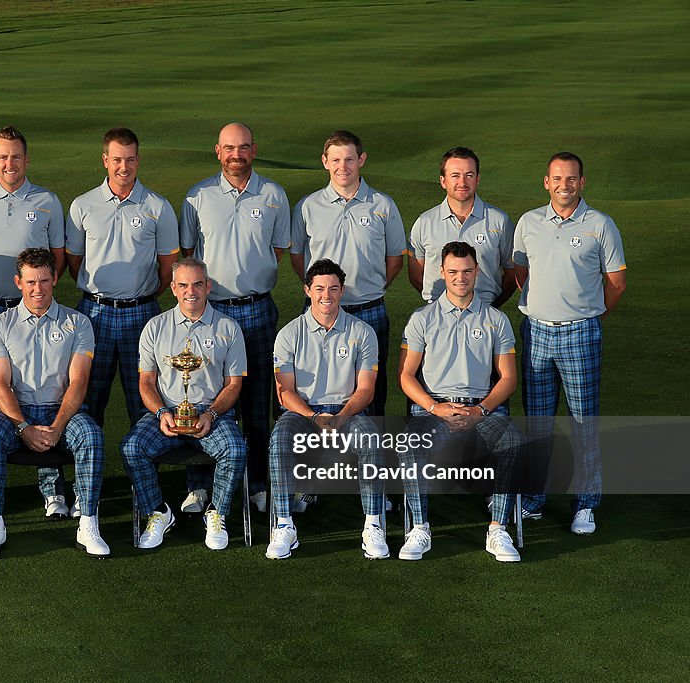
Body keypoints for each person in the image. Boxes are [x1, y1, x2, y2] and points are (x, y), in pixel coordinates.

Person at [513, 152, 626, 535]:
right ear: (546, 182)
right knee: (538, 422)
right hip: (537, 332)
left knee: (582, 422)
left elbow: (616, 283)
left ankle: (586, 503)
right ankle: (533, 498)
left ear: (582, 182)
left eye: (572, 179)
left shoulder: (601, 225)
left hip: (581, 333)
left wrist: (590, 315)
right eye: (558, 178)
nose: (565, 185)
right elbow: (521, 271)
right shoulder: (528, 222)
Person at [179, 122, 289, 512]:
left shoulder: (273, 194)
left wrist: (249, 276)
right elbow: (188, 252)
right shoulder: (198, 196)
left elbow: (276, 250)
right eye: (229, 148)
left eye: (243, 147)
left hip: (257, 308)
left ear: (254, 150)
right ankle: (200, 483)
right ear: (217, 151)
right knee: (200, 395)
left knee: (259, 400)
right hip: (209, 311)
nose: (236, 154)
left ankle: (258, 483)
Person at [0, 248, 109, 558]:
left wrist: (58, 427)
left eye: (44, 281)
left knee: (91, 436)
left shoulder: (79, 323)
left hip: (63, 410)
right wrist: (23, 427)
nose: (38, 289)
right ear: (18, 282)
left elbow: (79, 382)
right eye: (31, 282)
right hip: (15, 412)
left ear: (55, 279)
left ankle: (88, 522)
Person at [0, 126, 66, 518]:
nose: (10, 163)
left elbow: (59, 258)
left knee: (46, 392)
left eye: (16, 156)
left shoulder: (47, 201)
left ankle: (52, 488)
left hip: (34, 308)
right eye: (3, 156)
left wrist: (31, 293)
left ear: (27, 160)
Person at [399, 242, 523, 562]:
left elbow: (508, 378)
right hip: (434, 410)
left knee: (512, 440)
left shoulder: (496, 320)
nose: (460, 278)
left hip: (481, 409)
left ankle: (498, 529)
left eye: (467, 271)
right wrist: (434, 407)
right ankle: (419, 527)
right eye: (453, 271)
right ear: (442, 272)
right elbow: (406, 376)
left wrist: (479, 411)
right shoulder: (421, 319)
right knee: (411, 444)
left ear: (477, 271)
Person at [120, 258, 248, 551]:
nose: (191, 291)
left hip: (213, 414)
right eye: (183, 285)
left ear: (208, 287)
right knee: (131, 448)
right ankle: (159, 512)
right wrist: (162, 413)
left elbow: (234, 384)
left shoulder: (228, 328)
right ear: (174, 289)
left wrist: (213, 414)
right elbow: (146, 382)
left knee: (236, 449)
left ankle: (217, 513)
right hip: (165, 413)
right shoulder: (155, 327)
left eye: (198, 284)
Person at [266, 259, 386, 560]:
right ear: (307, 290)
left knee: (370, 439)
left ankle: (372, 525)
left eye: (333, 288)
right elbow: (285, 392)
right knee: (280, 439)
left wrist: (342, 416)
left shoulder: (363, 332)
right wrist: (314, 417)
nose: (326, 295)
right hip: (302, 412)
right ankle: (284, 526)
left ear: (342, 290)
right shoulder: (289, 334)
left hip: (348, 411)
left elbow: (366, 389)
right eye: (319, 288)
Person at [65, 127, 179, 436]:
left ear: (138, 160)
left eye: (130, 160)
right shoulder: (83, 205)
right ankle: (89, 481)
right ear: (105, 160)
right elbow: (75, 261)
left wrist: (142, 292)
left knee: (145, 399)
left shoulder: (158, 206)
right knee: (87, 399)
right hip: (94, 313)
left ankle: (141, 481)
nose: (123, 167)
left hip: (142, 314)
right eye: (117, 160)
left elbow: (168, 265)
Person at [290, 130, 406, 420]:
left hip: (369, 308)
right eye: (336, 159)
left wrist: (373, 287)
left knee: (372, 389)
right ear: (325, 162)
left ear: (362, 160)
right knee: (318, 383)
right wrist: (321, 292)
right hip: (320, 310)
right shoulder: (307, 206)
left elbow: (394, 260)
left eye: (350, 159)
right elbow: (298, 258)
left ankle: (373, 458)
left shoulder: (383, 204)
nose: (343, 166)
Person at [407, 147, 516, 307]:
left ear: (477, 179)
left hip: (484, 313)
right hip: (437, 316)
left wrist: (491, 307)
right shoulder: (424, 222)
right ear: (443, 181)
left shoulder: (499, 221)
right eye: (455, 176)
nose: (462, 183)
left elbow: (512, 273)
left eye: (469, 175)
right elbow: (416, 276)